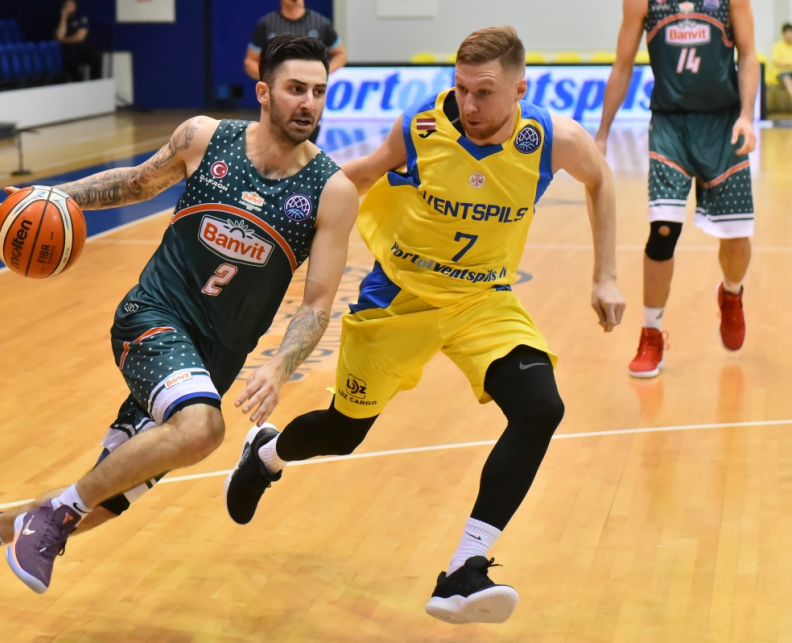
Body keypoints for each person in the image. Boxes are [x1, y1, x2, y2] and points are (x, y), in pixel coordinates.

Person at [0, 35, 358, 615]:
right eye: (295, 89)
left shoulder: (331, 191)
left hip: (216, 358)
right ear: (264, 92)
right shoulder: (206, 138)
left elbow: (317, 303)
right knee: (203, 429)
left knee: (103, 497)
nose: (308, 102)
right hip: (153, 318)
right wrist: (50, 194)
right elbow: (135, 183)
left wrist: (281, 366)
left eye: (318, 91)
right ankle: (53, 516)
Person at [224, 26, 626, 625]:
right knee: (342, 431)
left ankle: (465, 568)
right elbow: (359, 176)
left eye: (484, 93)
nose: (469, 104)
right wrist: (282, 227)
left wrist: (606, 276)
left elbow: (601, 180)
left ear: (520, 90)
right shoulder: (422, 127)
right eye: (461, 89)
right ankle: (267, 455)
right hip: (399, 299)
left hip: (481, 301)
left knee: (542, 407)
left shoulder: (551, 140)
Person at [595, 0, 757, 378]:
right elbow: (623, 65)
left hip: (723, 123)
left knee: (735, 240)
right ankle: (651, 335)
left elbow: (749, 54)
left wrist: (748, 116)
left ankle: (731, 292)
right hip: (670, 123)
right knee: (663, 231)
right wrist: (602, 134)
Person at [245, 0, 347, 144]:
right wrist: (274, 78)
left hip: (309, 116)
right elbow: (250, 61)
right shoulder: (266, 23)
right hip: (277, 104)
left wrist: (321, 75)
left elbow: (341, 54)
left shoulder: (320, 22)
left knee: (306, 146)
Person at [55, 0, 102, 82]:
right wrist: (63, 17)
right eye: (67, 5)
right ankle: (79, 83)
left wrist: (65, 40)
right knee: (70, 58)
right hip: (69, 50)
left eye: (71, 5)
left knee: (96, 57)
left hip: (83, 48)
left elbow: (80, 37)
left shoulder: (80, 17)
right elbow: (59, 36)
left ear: (75, 7)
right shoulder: (60, 20)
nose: (69, 7)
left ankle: (95, 82)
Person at [773, 22, 792, 101]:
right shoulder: (778, 45)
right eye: (788, 33)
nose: (790, 35)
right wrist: (789, 63)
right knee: (787, 79)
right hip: (782, 72)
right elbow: (777, 63)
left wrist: (786, 63)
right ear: (783, 34)